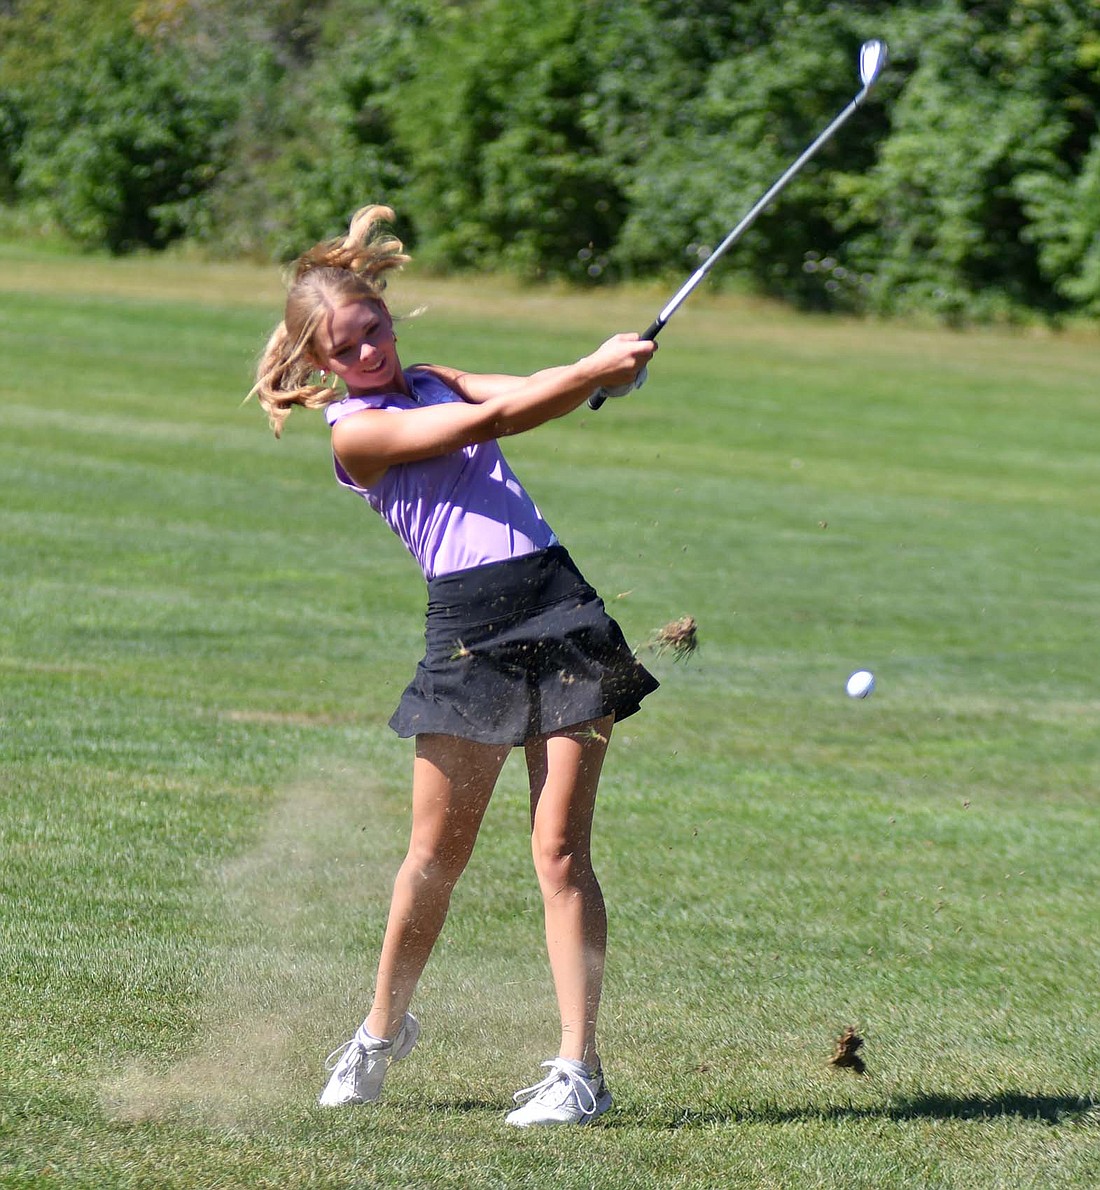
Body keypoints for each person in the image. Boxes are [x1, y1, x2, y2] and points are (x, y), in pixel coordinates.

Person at [249, 204, 658, 1127]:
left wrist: (599, 377)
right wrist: (586, 373)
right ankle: (379, 1034)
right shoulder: (355, 434)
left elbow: (524, 386)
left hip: (561, 608)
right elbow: (504, 416)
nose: (370, 357)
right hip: (469, 632)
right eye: (346, 350)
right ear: (318, 363)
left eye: (375, 333)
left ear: (389, 319)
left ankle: (577, 1069)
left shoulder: (430, 377)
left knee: (559, 850)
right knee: (434, 857)